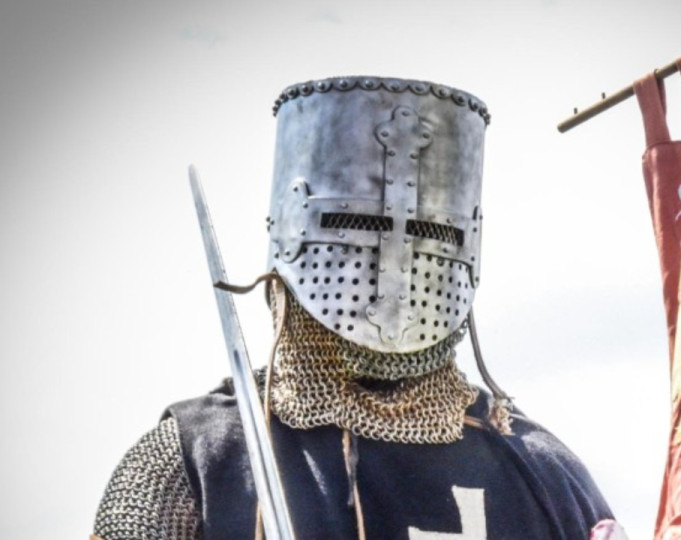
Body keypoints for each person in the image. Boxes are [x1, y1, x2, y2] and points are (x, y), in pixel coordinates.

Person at [92, 76, 619, 540]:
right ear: (293, 234)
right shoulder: (203, 462)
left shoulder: (543, 473)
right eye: (357, 226)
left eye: (427, 232)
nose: (393, 258)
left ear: (466, 246)